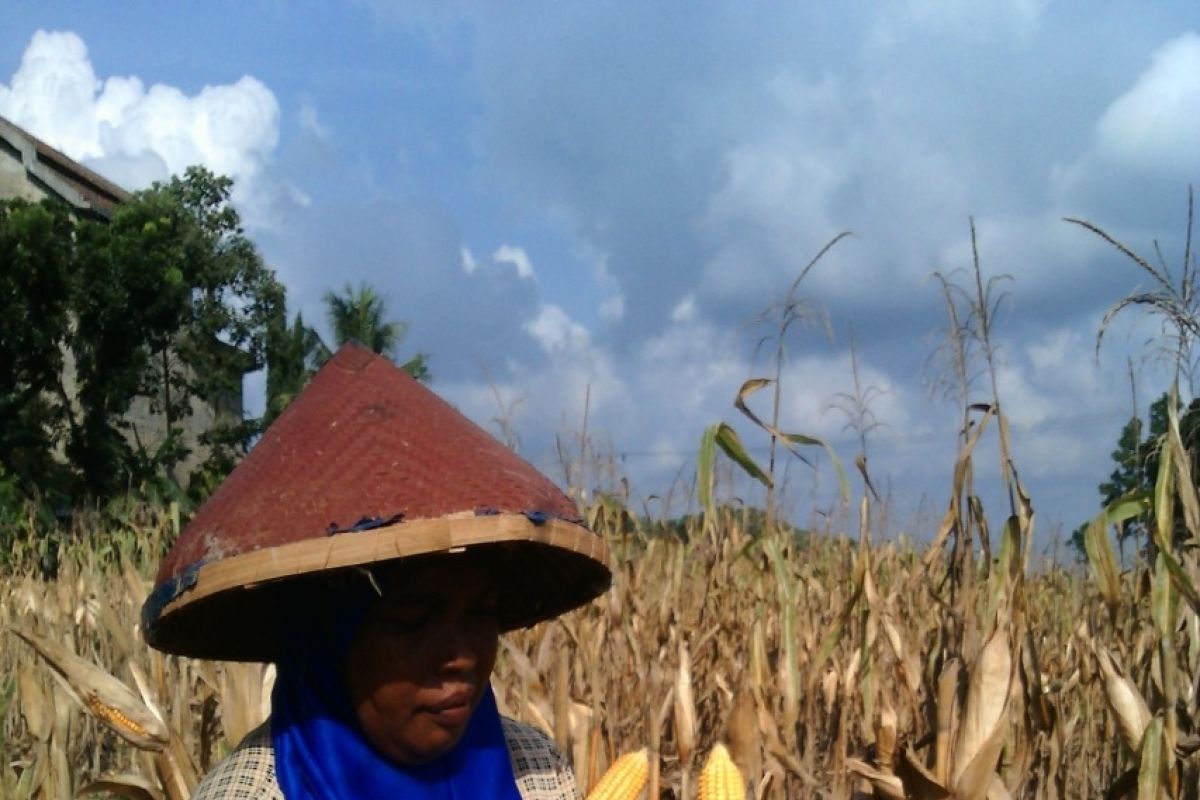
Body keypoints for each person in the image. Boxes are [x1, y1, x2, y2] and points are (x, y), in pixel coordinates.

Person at [142, 342, 613, 798]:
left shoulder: (537, 773)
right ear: (325, 642)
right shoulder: (251, 793)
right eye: (412, 621)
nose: (463, 656)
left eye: (480, 613)